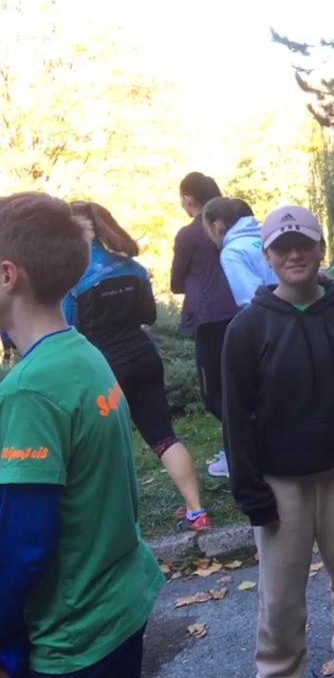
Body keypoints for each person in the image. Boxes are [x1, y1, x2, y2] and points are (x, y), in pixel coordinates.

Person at [0, 193, 164, 678]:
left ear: (8, 276)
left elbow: (25, 542)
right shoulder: (84, 352)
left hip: (72, 639)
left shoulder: (29, 390)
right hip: (120, 604)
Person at [221, 205, 334, 678]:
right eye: (282, 247)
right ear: (267, 257)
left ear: (320, 248)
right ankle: (280, 667)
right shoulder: (248, 327)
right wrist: (251, 493)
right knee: (281, 596)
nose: (294, 255)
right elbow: (235, 417)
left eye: (303, 244)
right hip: (279, 482)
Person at [63, 201, 209, 531]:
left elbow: (69, 328)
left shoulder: (72, 276)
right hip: (143, 356)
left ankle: (113, 525)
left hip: (100, 367)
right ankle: (196, 511)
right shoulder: (133, 268)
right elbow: (149, 316)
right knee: (163, 436)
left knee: (101, 447)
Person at [202, 196, 276, 478]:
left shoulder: (232, 252)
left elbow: (250, 299)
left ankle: (252, 461)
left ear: (217, 225)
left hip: (269, 330)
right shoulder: (265, 238)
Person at [170, 172, 238, 429]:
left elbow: (176, 283)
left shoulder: (188, 235)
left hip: (209, 319)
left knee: (213, 393)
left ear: (188, 198)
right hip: (243, 311)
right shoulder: (236, 225)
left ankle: (241, 441)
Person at [203, 197, 277, 307]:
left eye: (207, 230)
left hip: (273, 315)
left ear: (216, 227)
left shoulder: (233, 252)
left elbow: (252, 300)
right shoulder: (270, 239)